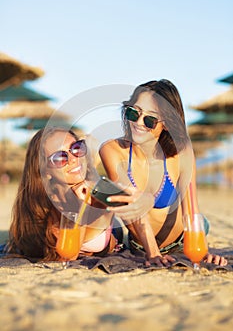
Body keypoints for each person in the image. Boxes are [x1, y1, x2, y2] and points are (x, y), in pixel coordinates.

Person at [99, 79, 227, 267]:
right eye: (134, 113)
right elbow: (133, 210)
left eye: (150, 119)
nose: (139, 123)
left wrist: (203, 250)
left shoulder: (181, 153)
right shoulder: (112, 150)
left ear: (166, 124)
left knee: (201, 223)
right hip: (140, 245)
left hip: (181, 239)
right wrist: (153, 252)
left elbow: (191, 208)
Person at [6, 127, 123, 262]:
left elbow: (130, 206)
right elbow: (69, 254)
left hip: (114, 231)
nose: (73, 159)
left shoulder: (94, 188)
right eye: (60, 158)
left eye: (76, 148)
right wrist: (83, 205)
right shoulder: (47, 207)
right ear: (45, 171)